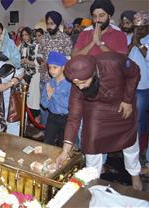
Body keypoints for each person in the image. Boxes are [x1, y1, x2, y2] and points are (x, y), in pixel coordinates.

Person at [55, 52, 142, 190]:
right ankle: (92, 181)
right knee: (91, 144)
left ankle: (135, 176)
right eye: (76, 83)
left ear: (94, 74)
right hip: (96, 108)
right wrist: (65, 151)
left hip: (121, 102)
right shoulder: (77, 86)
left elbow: (135, 72)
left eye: (83, 82)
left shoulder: (112, 61)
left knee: (130, 141)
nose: (81, 87)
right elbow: (74, 117)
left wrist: (128, 99)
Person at [34, 10, 72, 138]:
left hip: (62, 81)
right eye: (48, 24)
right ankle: (46, 131)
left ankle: (61, 135)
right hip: (45, 77)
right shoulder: (44, 38)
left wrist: (56, 64)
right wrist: (42, 62)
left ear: (57, 23)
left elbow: (68, 58)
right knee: (44, 106)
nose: (49, 26)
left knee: (61, 106)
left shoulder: (65, 39)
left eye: (52, 24)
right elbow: (38, 55)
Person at [128, 11, 149, 173]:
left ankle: (140, 151)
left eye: (142, 29)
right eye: (136, 28)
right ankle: (127, 147)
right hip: (128, 86)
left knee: (139, 121)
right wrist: (132, 42)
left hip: (143, 87)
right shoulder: (131, 38)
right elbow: (123, 56)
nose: (139, 31)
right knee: (127, 118)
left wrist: (139, 44)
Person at [41, 51, 70, 146]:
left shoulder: (69, 84)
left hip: (66, 118)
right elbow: (44, 105)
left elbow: (67, 105)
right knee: (47, 142)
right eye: (49, 67)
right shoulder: (49, 83)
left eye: (55, 67)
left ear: (63, 67)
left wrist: (53, 94)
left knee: (62, 144)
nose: (52, 70)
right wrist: (48, 97)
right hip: (52, 117)